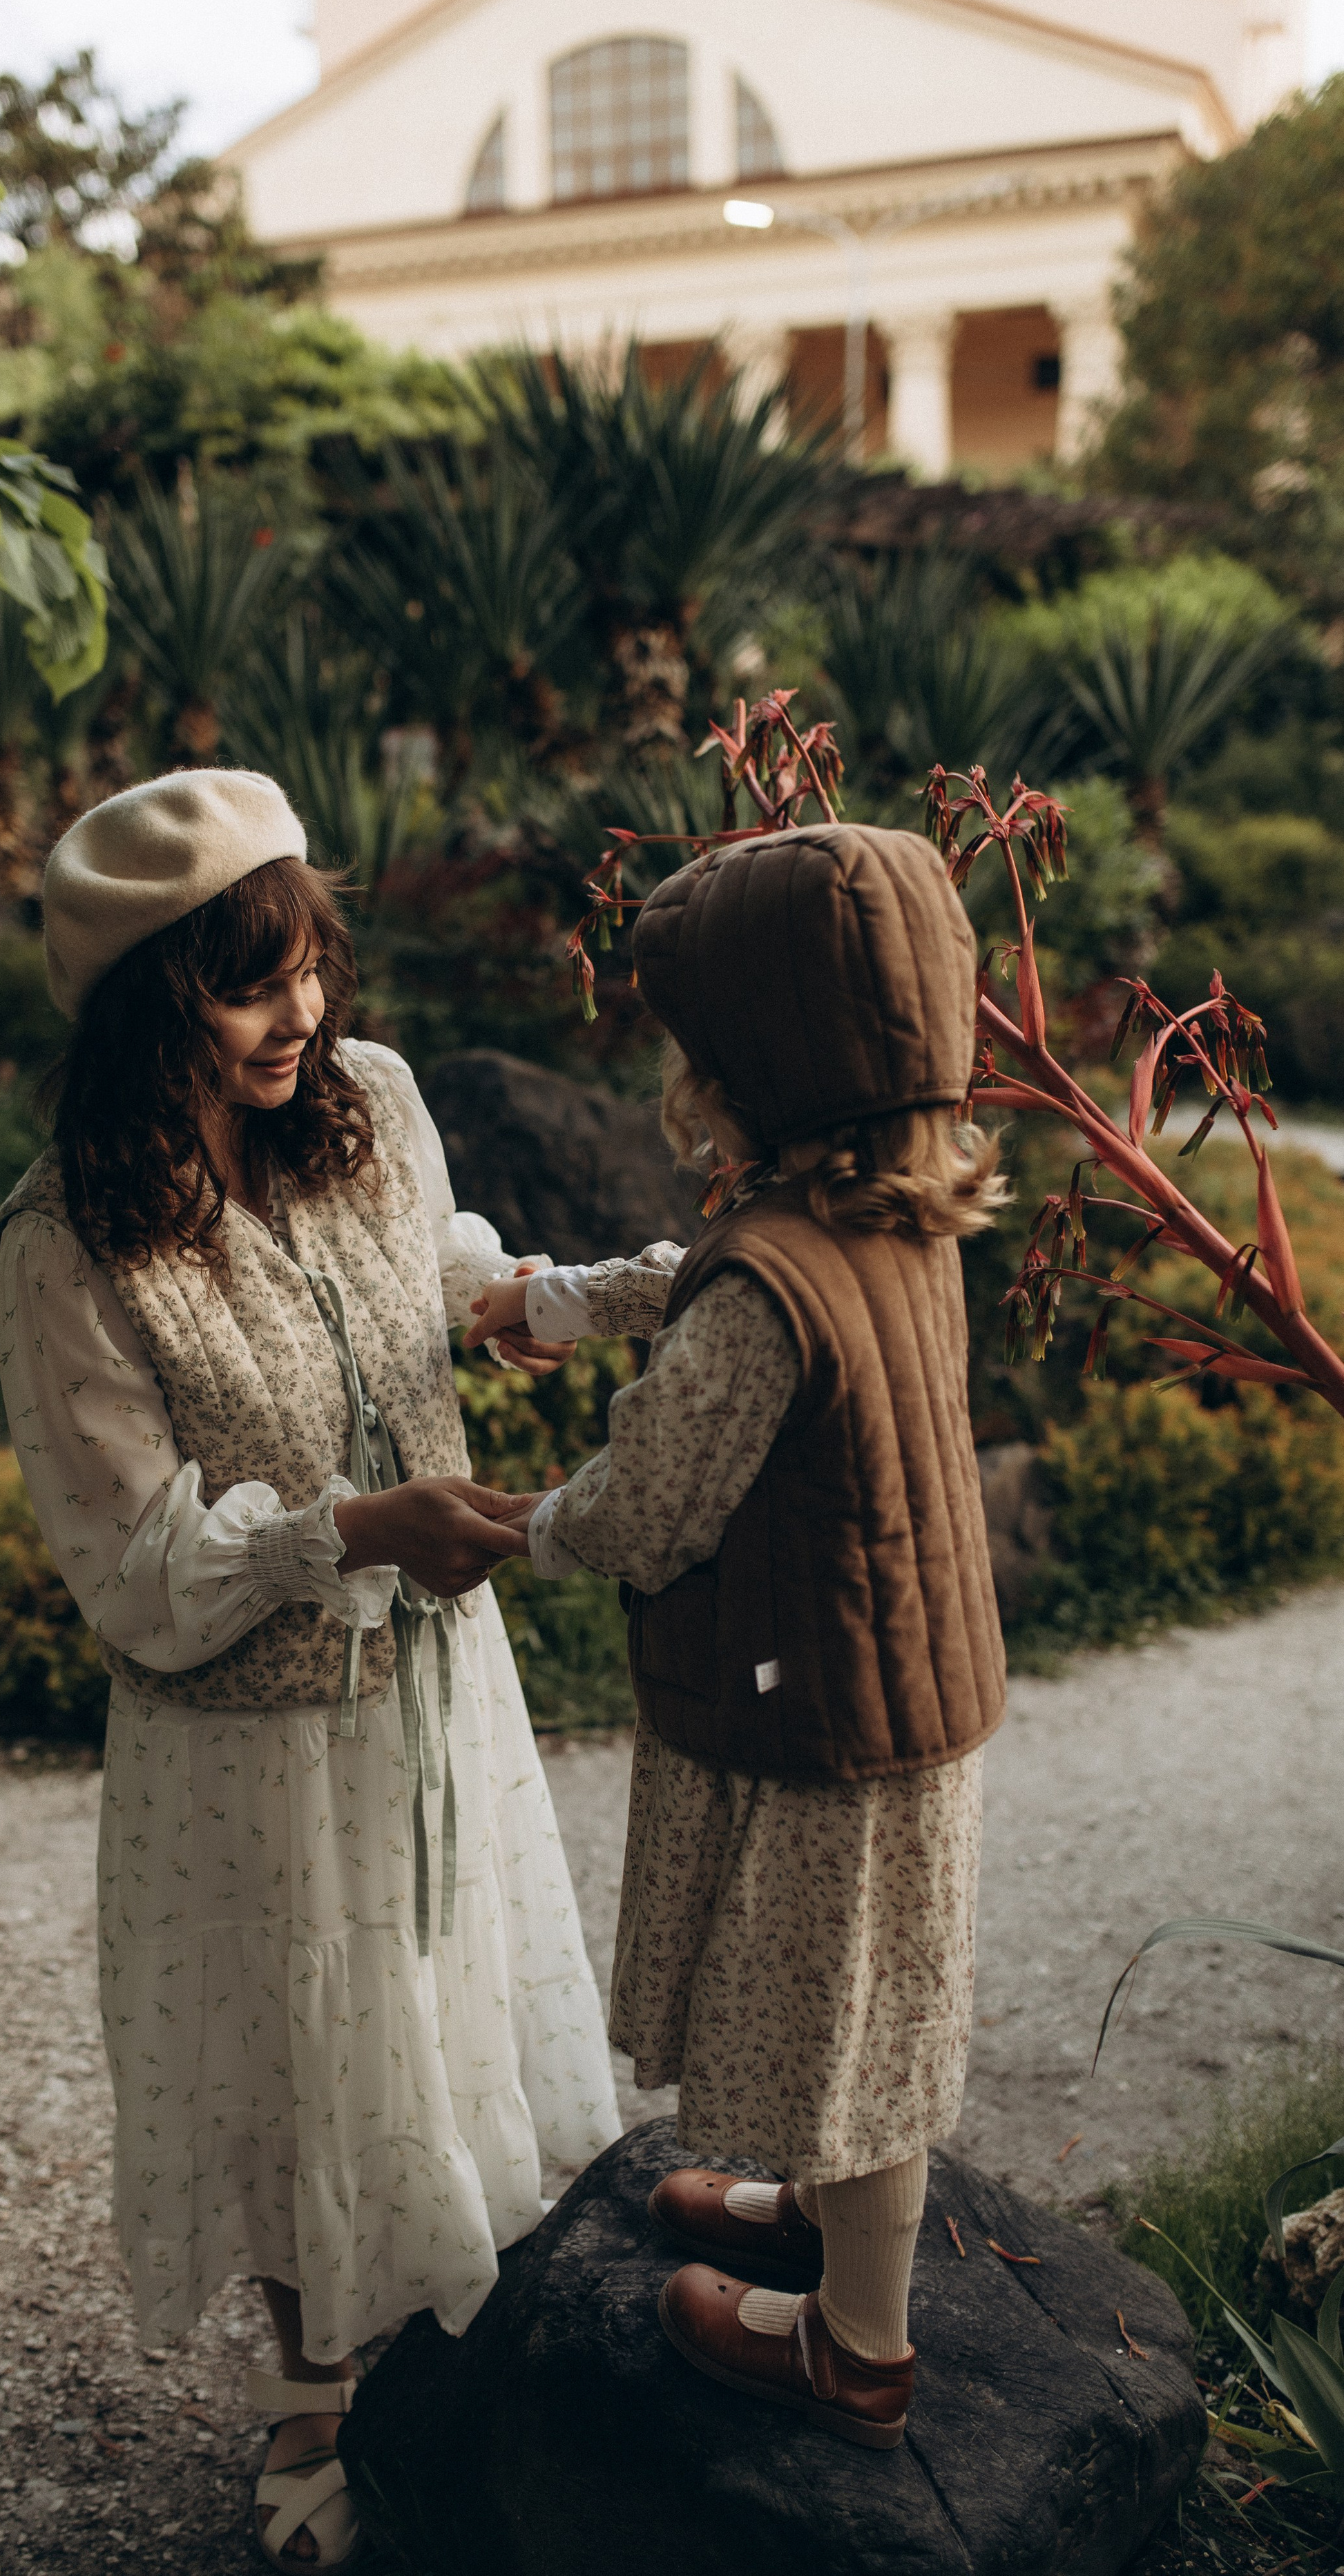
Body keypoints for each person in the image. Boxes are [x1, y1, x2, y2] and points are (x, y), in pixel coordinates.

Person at [0, 769, 619, 2568]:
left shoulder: (377, 1105)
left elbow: (425, 1269)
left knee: (433, 2010)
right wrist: (351, 1528)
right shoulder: (66, 1242)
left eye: (309, 968)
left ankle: (453, 2346)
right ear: (147, 1002)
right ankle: (314, 2393)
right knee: (294, 2057)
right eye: (247, 986)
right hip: (246, 1747)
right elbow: (132, 1561)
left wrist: (538, 1301)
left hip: (430, 1681)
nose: (301, 1019)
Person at [465, 820, 1007, 2452]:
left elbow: (649, 1506)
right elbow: (696, 1276)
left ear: (753, 1061)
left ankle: (855, 2346)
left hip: (812, 1725)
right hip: (893, 1687)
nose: (671, 1070)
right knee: (856, 2008)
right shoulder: (880, 1208)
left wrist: (515, 1529)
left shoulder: (765, 1285)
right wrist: (554, 1297)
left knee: (847, 2025)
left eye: (687, 1041)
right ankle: (812, 2213)